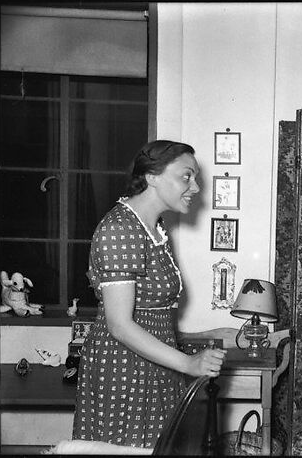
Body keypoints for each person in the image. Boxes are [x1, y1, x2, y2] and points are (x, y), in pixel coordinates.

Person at [73, 140, 227, 448]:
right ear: (152, 177)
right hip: (124, 369)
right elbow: (119, 324)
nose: (195, 187)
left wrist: (182, 361)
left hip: (156, 361)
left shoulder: (153, 227)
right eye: (186, 176)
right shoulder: (120, 229)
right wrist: (187, 363)